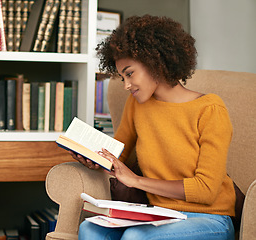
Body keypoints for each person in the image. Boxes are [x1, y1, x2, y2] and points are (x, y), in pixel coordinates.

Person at [70, 15, 236, 240]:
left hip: (210, 219)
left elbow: (205, 190)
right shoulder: (137, 104)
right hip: (159, 215)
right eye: (122, 77)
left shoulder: (210, 109)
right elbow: (120, 155)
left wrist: (136, 181)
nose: (127, 85)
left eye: (129, 74)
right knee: (88, 230)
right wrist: (95, 159)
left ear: (155, 64)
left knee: (136, 237)